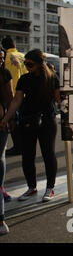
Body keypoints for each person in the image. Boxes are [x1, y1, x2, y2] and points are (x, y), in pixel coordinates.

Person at [0, 50, 60, 203]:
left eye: (30, 64)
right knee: (27, 156)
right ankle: (31, 187)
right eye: (25, 63)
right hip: (28, 120)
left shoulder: (52, 78)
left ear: (40, 63)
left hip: (47, 120)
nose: (26, 66)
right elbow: (16, 101)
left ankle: (50, 188)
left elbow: (60, 100)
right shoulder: (24, 79)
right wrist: (6, 119)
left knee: (48, 154)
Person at [1, 37, 27, 156]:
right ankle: (21, 145)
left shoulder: (6, 57)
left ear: (4, 47)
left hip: (14, 94)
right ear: (14, 44)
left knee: (13, 121)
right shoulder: (23, 56)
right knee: (22, 122)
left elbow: (6, 77)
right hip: (25, 93)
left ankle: (18, 147)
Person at [0, 49, 13, 235]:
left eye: (2, 58)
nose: (0, 60)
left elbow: (10, 97)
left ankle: (1, 219)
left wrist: (8, 119)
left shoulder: (4, 73)